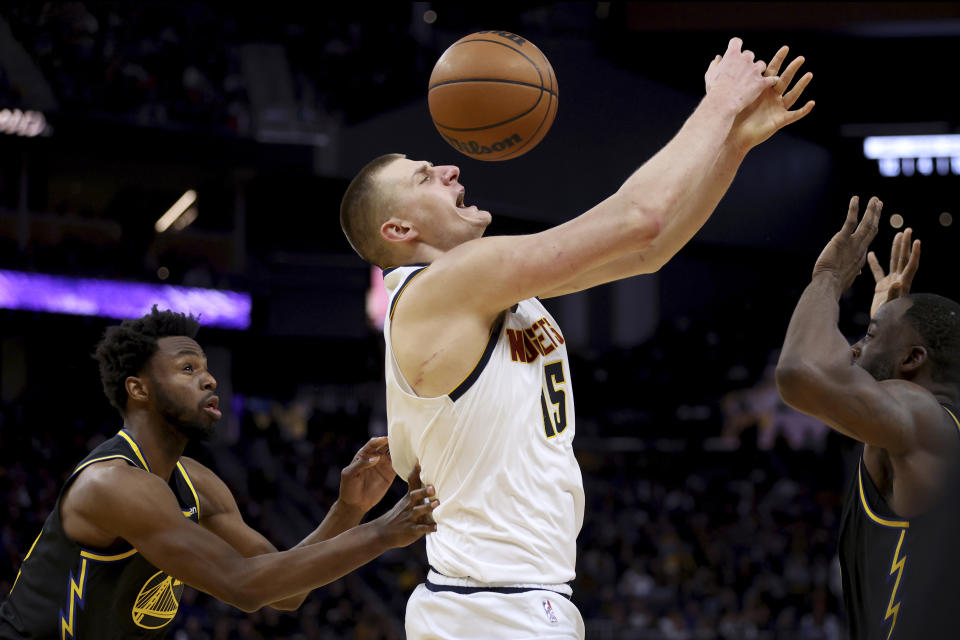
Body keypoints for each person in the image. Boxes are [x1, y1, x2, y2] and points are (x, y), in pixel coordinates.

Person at [340, 37, 814, 639]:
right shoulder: (442, 287)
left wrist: (737, 142)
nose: (451, 168)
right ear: (399, 227)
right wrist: (719, 105)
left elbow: (650, 249)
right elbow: (638, 216)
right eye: (426, 176)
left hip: (508, 603)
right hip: (489, 609)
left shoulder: (477, 291)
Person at [0, 306, 439, 639]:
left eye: (207, 369)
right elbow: (243, 586)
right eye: (188, 369)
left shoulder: (197, 482)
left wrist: (348, 510)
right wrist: (384, 532)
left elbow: (282, 591)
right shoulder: (112, 484)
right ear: (139, 389)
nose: (209, 380)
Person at [776, 196, 960, 639]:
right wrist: (885, 327)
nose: (854, 346)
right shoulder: (928, 433)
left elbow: (801, 371)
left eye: (870, 335)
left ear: (913, 359)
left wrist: (829, 277)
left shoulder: (923, 418)